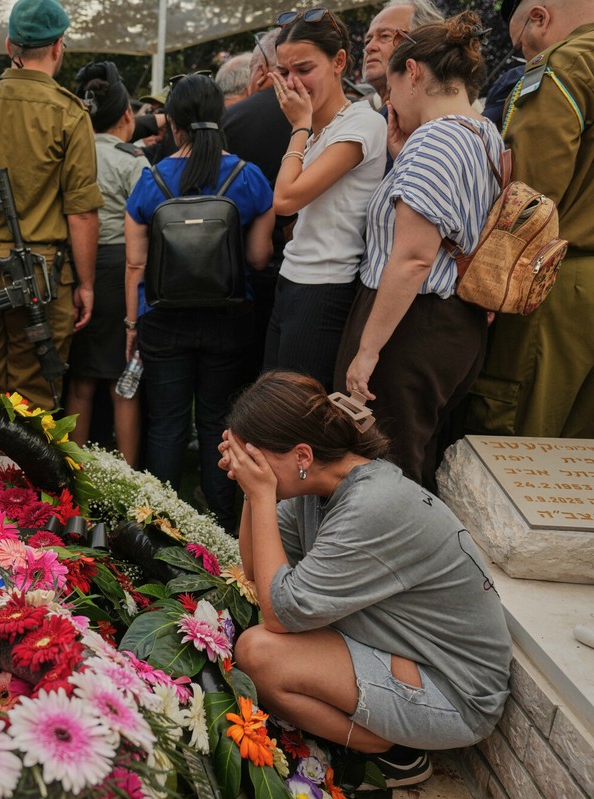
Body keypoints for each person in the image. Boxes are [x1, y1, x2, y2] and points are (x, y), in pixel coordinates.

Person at [219, 371, 511, 787]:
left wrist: (262, 494)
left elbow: (279, 614)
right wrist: (253, 494)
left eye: (256, 459)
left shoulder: (372, 505)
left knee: (260, 652)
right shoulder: (316, 488)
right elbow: (257, 574)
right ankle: (375, 730)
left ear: (302, 456)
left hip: (455, 691)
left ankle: (391, 752)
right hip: (408, 653)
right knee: (259, 636)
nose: (251, 469)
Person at [338, 13, 502, 488]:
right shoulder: (483, 133)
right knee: (414, 459)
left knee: (383, 472)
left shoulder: (435, 139)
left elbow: (412, 259)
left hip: (410, 324)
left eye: (390, 93)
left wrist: (367, 350)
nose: (391, 105)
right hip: (456, 321)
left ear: (412, 72)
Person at [124, 74, 275, 527]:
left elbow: (135, 267)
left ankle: (159, 523)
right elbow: (258, 257)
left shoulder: (151, 180)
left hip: (162, 320)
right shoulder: (247, 177)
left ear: (173, 122)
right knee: (217, 421)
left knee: (167, 423)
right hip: (229, 319)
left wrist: (131, 327)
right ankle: (222, 520)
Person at [0, 0, 102, 410]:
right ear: (57, 47)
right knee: (34, 399)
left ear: (8, 45)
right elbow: (82, 211)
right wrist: (86, 284)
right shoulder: (69, 112)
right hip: (42, 269)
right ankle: (22, 478)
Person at [469, 0, 594, 438]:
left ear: (539, 17)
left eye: (523, 46)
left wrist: (488, 288)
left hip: (553, 284)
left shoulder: (564, 63)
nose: (525, 56)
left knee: (516, 445)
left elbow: (530, 195)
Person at [264, 8, 386, 390]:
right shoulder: (320, 130)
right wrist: (305, 129)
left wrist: (299, 126)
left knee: (296, 415)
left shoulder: (362, 123)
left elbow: (284, 201)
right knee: (273, 405)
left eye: (303, 69)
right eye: (284, 72)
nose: (293, 83)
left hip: (326, 288)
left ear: (339, 62)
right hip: (292, 278)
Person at [64, 60, 146, 465]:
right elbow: (147, 218)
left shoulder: (68, 152)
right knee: (121, 381)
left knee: (78, 380)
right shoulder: (133, 159)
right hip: (119, 268)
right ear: (127, 114)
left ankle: (72, 476)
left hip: (75, 265)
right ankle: (129, 480)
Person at [222, 28, 291, 376]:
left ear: (262, 71)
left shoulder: (231, 121)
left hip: (238, 272)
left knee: (237, 377)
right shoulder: (331, 120)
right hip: (302, 272)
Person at [362, 0, 445, 106]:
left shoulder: (453, 115)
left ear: (425, 42)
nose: (369, 47)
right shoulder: (360, 114)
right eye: (367, 41)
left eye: (384, 36)